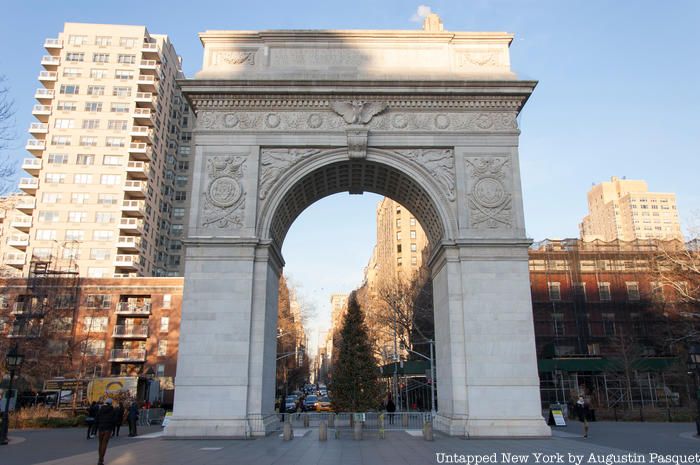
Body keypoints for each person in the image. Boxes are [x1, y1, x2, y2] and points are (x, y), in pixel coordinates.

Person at [95, 398, 118, 465]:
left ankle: (100, 458)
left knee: (100, 443)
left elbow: (96, 418)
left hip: (101, 427)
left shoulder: (100, 409)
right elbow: (114, 420)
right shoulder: (112, 410)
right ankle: (101, 460)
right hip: (108, 428)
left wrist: (97, 426)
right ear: (111, 403)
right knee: (104, 443)